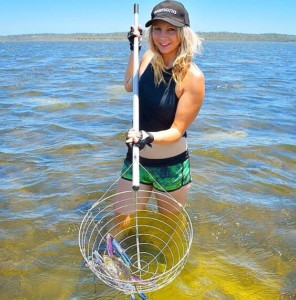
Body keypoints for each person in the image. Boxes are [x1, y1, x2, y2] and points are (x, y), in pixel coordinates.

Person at [113, 0, 204, 224]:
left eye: (171, 29)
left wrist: (147, 136)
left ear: (184, 32)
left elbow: (177, 130)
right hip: (137, 157)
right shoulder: (148, 59)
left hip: (171, 166)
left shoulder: (192, 76)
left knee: (168, 226)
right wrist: (134, 49)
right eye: (158, 29)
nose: (163, 37)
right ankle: (113, 258)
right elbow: (128, 85)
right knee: (120, 216)